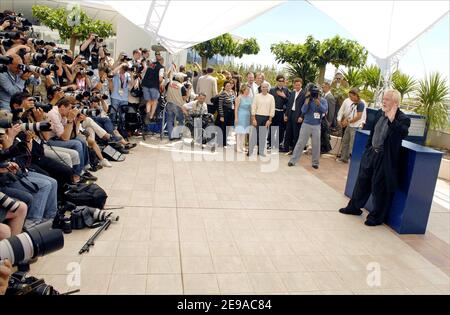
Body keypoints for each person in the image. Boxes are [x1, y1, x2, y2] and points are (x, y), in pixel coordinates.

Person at [339, 89, 410, 226]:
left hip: (385, 158)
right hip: (371, 153)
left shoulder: (403, 118)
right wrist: (367, 149)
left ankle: (376, 217)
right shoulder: (379, 113)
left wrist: (392, 119)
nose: (384, 101)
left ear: (395, 102)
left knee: (379, 188)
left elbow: (402, 133)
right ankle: (353, 207)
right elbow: (373, 133)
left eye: (387, 99)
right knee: (362, 182)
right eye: (384, 98)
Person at [288, 83, 328, 169]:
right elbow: (303, 110)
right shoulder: (308, 100)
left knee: (316, 144)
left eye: (316, 92)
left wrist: (318, 103)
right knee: (300, 143)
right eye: (313, 92)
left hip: (317, 125)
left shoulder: (323, 100)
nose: (315, 94)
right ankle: (293, 160)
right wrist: (306, 101)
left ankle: (315, 163)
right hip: (306, 124)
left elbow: (324, 110)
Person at [336, 88, 366, 163]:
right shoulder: (354, 104)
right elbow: (350, 114)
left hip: (356, 127)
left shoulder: (361, 104)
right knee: (345, 141)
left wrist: (349, 121)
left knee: (352, 145)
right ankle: (344, 158)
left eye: (351, 96)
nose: (350, 98)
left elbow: (359, 116)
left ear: (356, 95)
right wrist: (345, 121)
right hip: (350, 126)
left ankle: (353, 161)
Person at [249, 82, 275, 157]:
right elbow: (253, 107)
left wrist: (269, 120)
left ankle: (260, 151)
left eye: (265, 87)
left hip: (266, 118)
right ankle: (250, 151)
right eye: (262, 87)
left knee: (263, 135)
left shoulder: (271, 97)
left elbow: (272, 109)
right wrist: (253, 119)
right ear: (260, 88)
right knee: (254, 135)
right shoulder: (257, 96)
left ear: (268, 88)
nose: (264, 88)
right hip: (257, 117)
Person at [283, 78, 305, 153]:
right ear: (294, 85)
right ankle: (285, 148)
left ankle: (294, 150)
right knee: (288, 132)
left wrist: (301, 116)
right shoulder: (292, 93)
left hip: (298, 115)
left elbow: (305, 106)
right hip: (290, 114)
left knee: (296, 134)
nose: (297, 86)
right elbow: (289, 104)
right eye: (296, 85)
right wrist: (286, 115)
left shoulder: (304, 94)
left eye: (299, 85)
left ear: (301, 85)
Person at [141, 51, 165, 122]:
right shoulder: (161, 67)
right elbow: (160, 79)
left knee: (149, 101)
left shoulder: (151, 65)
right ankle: (151, 116)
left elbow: (145, 73)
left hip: (145, 85)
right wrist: (162, 81)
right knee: (155, 101)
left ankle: (148, 113)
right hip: (153, 86)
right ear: (161, 61)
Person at [269, 75, 289, 150]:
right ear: (277, 81)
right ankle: (271, 143)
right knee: (272, 128)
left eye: (282, 81)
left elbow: (289, 102)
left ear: (284, 82)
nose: (281, 82)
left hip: (282, 112)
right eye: (279, 81)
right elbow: (269, 102)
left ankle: (279, 144)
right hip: (274, 111)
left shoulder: (286, 90)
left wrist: (284, 96)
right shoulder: (272, 90)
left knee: (281, 129)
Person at [165, 73, 188, 140]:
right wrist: (188, 91)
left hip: (169, 103)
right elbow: (184, 98)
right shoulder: (182, 87)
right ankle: (178, 135)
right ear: (180, 79)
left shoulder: (169, 83)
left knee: (169, 120)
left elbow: (166, 91)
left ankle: (171, 136)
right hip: (178, 105)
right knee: (181, 120)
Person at [217, 80, 235, 147]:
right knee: (223, 128)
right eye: (227, 86)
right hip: (224, 112)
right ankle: (221, 142)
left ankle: (225, 141)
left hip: (231, 113)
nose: (228, 87)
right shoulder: (223, 93)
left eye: (229, 85)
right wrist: (221, 115)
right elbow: (220, 105)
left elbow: (233, 102)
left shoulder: (232, 93)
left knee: (228, 127)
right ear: (224, 87)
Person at [234, 85, 252, 153]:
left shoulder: (250, 98)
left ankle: (242, 146)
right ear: (243, 90)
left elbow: (250, 108)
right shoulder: (239, 97)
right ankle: (238, 147)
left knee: (244, 132)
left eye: (249, 90)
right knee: (239, 132)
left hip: (247, 116)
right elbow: (236, 109)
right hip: (240, 115)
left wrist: (251, 117)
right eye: (247, 90)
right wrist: (236, 118)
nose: (248, 91)